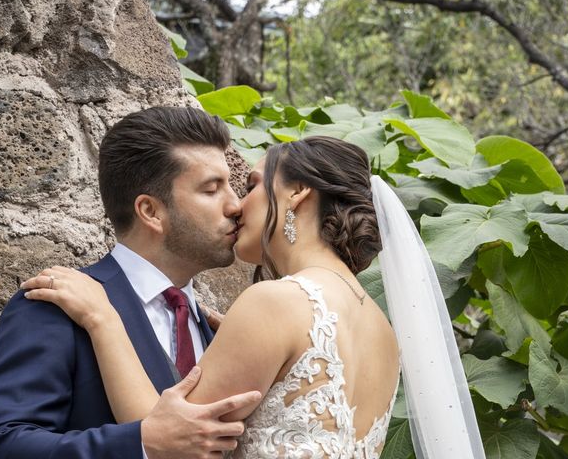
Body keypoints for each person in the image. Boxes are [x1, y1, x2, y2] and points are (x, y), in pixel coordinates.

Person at [21, 135, 406, 458]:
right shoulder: (385, 334)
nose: (239, 204)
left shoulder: (275, 303)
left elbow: (169, 440)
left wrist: (102, 319)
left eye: (253, 184)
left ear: (298, 193)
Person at [0, 107, 263, 459]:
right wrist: (141, 443)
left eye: (231, 186)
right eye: (212, 189)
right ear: (151, 211)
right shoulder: (55, 304)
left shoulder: (217, 329)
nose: (236, 205)